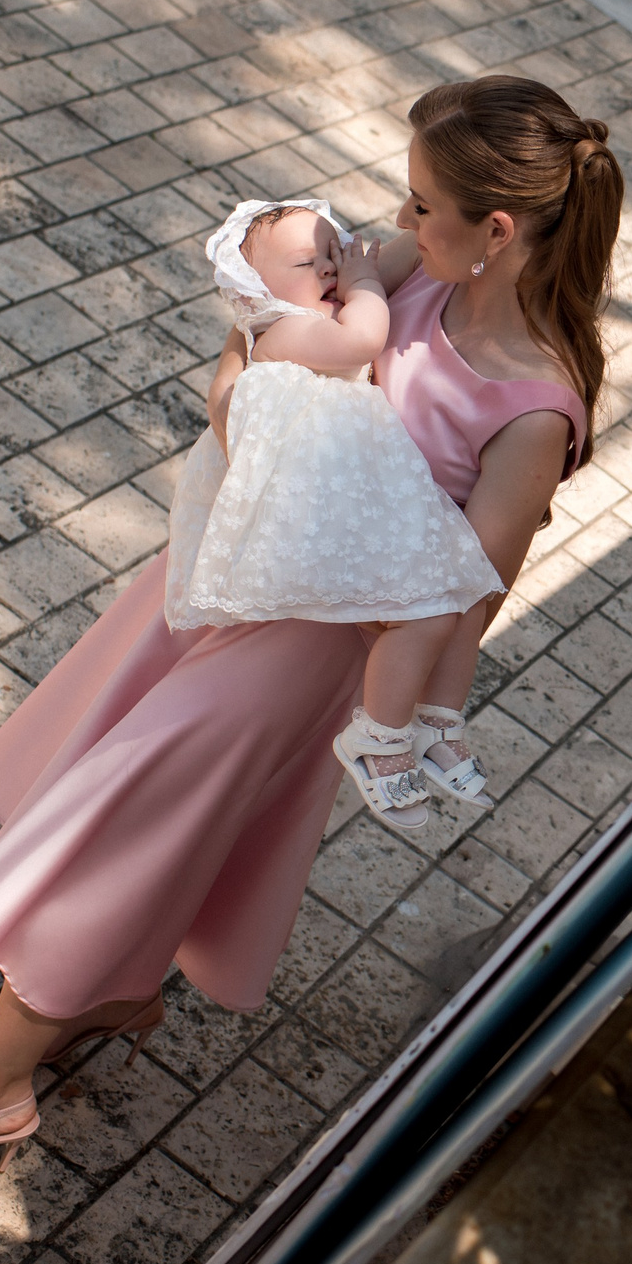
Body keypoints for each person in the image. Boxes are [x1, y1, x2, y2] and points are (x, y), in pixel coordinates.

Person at [0, 77, 618, 1177]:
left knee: (115, 832)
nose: (394, 224)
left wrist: (397, 717)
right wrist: (238, 381)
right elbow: (263, 330)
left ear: (495, 229)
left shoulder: (533, 408)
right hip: (226, 573)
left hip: (300, 656)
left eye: (418, 204)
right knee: (136, 819)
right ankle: (111, 991)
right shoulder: (414, 276)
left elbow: (461, 599)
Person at [164, 197, 501, 827]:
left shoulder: (291, 322)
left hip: (359, 500)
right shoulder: (282, 328)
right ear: (253, 288)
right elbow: (363, 340)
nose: (326, 270)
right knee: (427, 615)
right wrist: (366, 282)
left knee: (463, 592)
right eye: (304, 262)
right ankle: (379, 736)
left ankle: (435, 720)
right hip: (328, 517)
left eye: (331, 254)